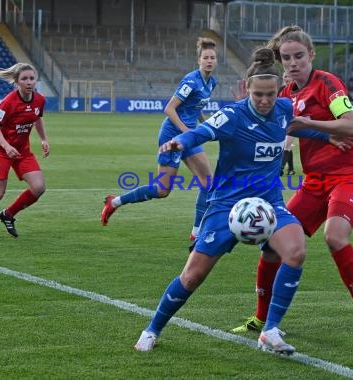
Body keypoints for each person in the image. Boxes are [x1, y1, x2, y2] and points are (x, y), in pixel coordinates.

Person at [133, 47, 341, 355]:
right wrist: (180, 140)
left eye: (270, 94)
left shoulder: (283, 108)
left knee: (296, 251)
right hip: (226, 206)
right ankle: (152, 329)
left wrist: (328, 138)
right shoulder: (232, 115)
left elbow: (299, 125)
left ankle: (270, 330)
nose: (265, 101)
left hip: (268, 204)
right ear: (247, 89)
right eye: (258, 94)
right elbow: (201, 132)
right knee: (192, 276)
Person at [231, 26, 353, 349]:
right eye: (286, 58)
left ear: (311, 55)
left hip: (348, 175)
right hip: (314, 182)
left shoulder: (327, 83)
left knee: (334, 236)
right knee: (272, 243)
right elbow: (271, 124)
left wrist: (307, 124)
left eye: (299, 56)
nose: (292, 63)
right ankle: (261, 319)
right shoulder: (285, 94)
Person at [101, 37, 218, 240]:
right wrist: (186, 132)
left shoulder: (211, 82)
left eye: (212, 58)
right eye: (205, 57)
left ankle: (196, 232)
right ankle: (115, 202)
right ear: (199, 60)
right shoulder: (191, 81)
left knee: (208, 182)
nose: (209, 60)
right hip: (172, 135)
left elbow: (197, 107)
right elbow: (169, 109)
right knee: (163, 190)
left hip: (188, 136)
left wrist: (206, 124)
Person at [0, 63, 49, 240]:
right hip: (1, 150)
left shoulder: (39, 100)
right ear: (16, 82)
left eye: (32, 78)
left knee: (38, 187)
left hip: (22, 151)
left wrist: (44, 139)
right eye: (24, 79)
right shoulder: (8, 102)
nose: (29, 82)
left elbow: (37, 118)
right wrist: (6, 146)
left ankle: (8, 214)